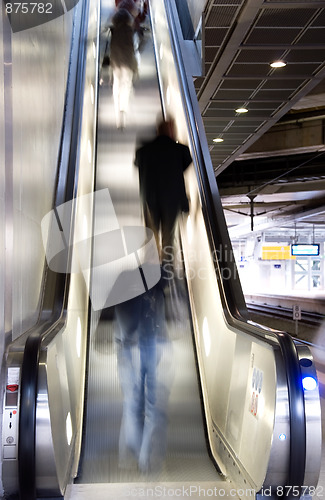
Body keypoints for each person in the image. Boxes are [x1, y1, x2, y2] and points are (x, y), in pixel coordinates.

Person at [115, 271, 173, 474]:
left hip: (142, 344)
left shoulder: (144, 277)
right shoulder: (142, 276)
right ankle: (141, 458)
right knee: (143, 404)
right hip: (142, 344)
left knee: (140, 404)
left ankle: (140, 457)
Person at [134, 118, 192, 267]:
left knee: (151, 234)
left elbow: (137, 163)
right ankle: (167, 268)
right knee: (169, 236)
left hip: (149, 198)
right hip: (173, 200)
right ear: (172, 131)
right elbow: (186, 164)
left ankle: (150, 265)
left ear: (158, 130)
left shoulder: (143, 151)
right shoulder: (180, 150)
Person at [109, 8, 139, 129]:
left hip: (116, 63)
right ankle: (123, 109)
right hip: (127, 62)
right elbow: (133, 48)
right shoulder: (129, 30)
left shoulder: (114, 30)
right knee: (126, 85)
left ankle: (118, 114)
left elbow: (112, 47)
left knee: (117, 84)